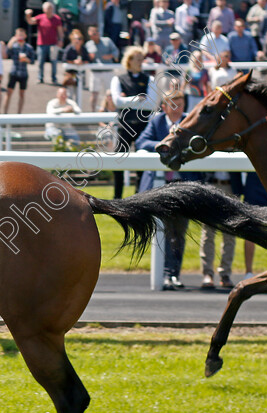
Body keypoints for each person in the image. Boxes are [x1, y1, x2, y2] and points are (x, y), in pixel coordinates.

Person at [135, 89, 198, 289]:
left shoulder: (190, 121)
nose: (177, 108)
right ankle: (162, 273)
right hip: (159, 186)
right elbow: (141, 142)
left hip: (182, 186)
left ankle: (174, 274)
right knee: (161, 231)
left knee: (179, 231)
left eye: (180, 104)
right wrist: (165, 144)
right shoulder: (157, 122)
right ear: (164, 106)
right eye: (172, 104)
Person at [110, 46, 158, 199]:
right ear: (129, 61)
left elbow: (151, 104)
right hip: (125, 126)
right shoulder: (118, 78)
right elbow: (117, 101)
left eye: (141, 59)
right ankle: (117, 198)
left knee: (141, 163)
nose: (141, 62)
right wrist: (137, 99)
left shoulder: (149, 79)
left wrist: (127, 101)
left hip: (143, 127)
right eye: (137, 59)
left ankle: (139, 197)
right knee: (118, 161)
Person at [26, 3, 63, 85]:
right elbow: (30, 21)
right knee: (40, 62)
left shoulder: (56, 19)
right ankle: (40, 78)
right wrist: (28, 15)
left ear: (52, 9)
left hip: (53, 44)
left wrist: (61, 40)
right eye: (47, 8)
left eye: (50, 8)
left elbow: (60, 31)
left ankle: (54, 78)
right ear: (43, 9)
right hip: (41, 44)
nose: (48, 10)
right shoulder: (40, 17)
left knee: (54, 62)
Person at [85, 25, 119, 112]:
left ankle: (111, 112)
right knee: (94, 93)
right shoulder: (88, 45)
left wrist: (110, 56)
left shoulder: (107, 41)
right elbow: (85, 58)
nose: (94, 35)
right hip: (95, 72)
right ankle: (93, 113)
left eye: (95, 33)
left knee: (110, 93)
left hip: (108, 71)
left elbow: (116, 51)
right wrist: (89, 58)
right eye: (92, 34)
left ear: (99, 33)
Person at [3, 27, 34, 115]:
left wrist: (26, 59)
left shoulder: (29, 47)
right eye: (18, 35)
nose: (20, 37)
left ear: (25, 36)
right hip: (14, 71)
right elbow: (6, 54)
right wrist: (11, 41)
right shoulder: (14, 46)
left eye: (22, 35)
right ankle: (4, 114)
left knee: (22, 94)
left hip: (23, 73)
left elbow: (32, 61)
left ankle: (19, 114)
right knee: (8, 93)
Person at [60, 29, 89, 99]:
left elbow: (88, 59)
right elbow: (64, 59)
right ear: (72, 39)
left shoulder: (83, 49)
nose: (78, 41)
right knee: (70, 94)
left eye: (80, 39)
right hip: (71, 75)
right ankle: (70, 109)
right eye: (76, 39)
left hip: (80, 75)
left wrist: (82, 62)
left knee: (79, 95)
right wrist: (74, 62)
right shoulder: (69, 48)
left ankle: (77, 109)